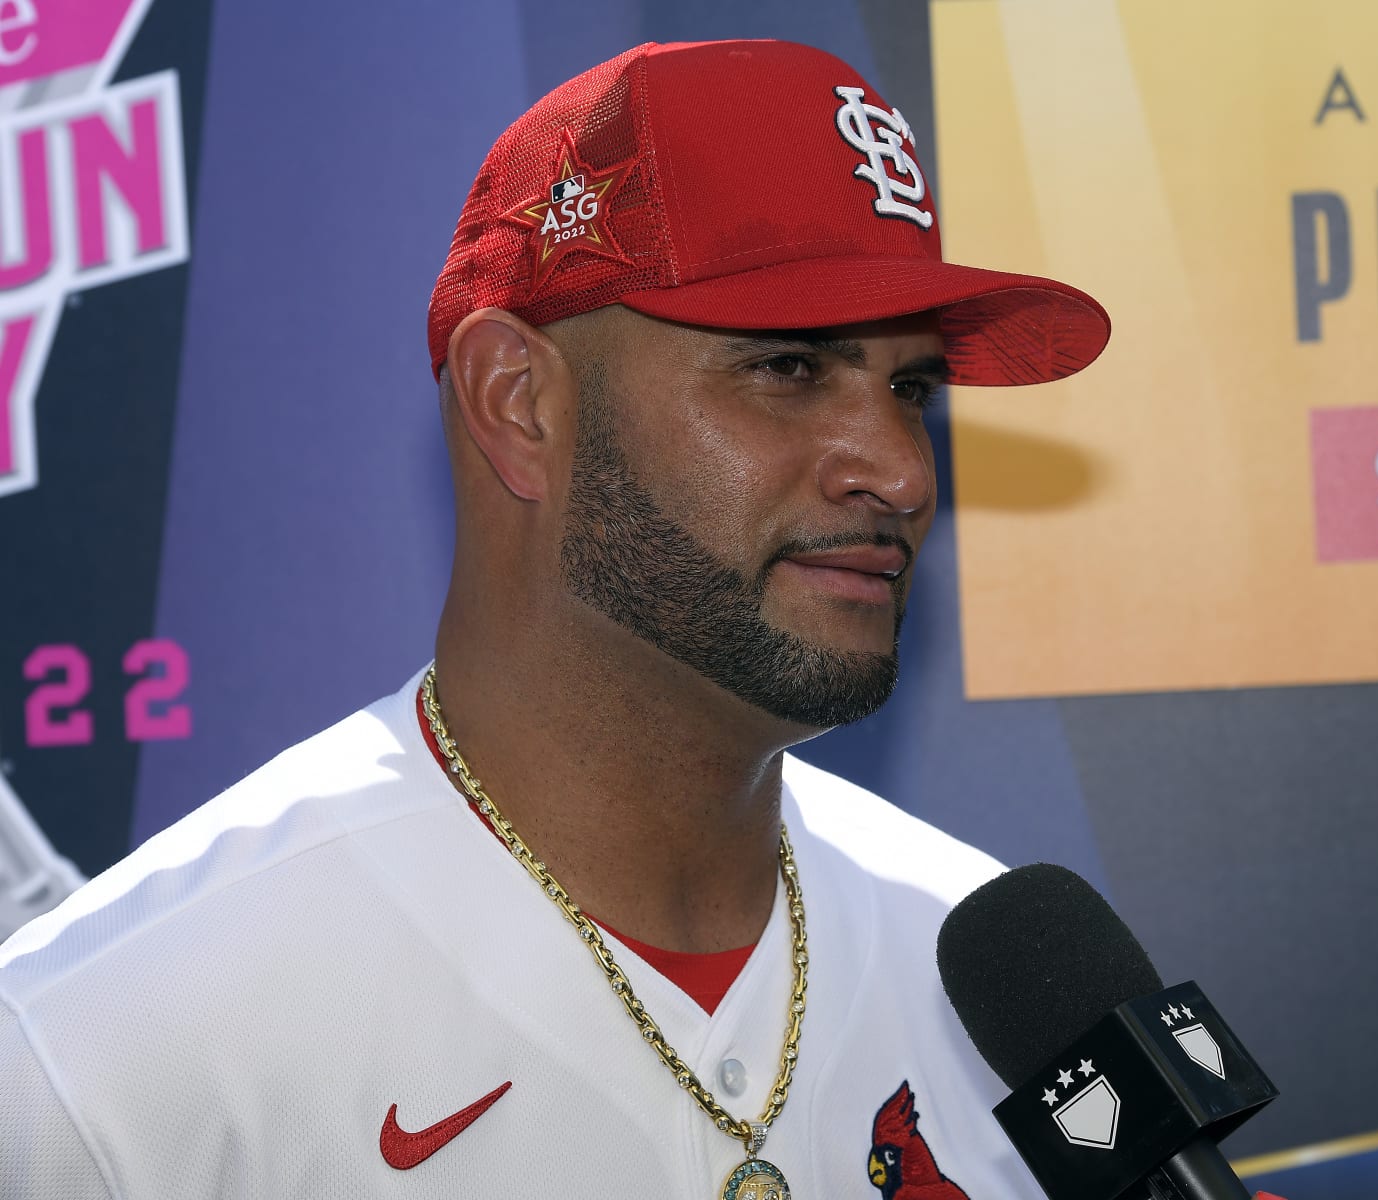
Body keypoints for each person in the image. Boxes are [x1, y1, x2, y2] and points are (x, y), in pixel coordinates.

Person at [0, 39, 1108, 1198]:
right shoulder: (99, 1058)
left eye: (911, 390)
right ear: (517, 403)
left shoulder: (1007, 993)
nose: (901, 472)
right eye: (788, 368)